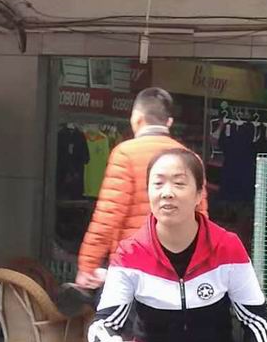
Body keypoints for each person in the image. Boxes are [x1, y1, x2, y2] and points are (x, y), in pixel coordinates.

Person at [87, 148, 267, 342]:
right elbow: (103, 323)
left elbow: (256, 320)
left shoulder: (228, 248)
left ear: (199, 195)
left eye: (179, 183)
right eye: (158, 183)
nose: (167, 193)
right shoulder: (129, 254)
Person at [74, 87, 207, 294]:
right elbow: (201, 220)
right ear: (169, 122)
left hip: (133, 269)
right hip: (178, 270)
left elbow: (108, 216)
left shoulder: (125, 154)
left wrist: (88, 266)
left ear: (136, 119)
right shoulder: (191, 160)